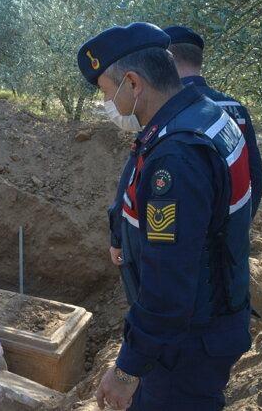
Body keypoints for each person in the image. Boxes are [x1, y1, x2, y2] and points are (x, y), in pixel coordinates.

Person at [77, 22, 253, 410]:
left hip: (185, 343)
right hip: (209, 320)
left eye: (107, 91)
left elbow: (169, 286)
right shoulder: (205, 115)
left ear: (134, 84)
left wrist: (126, 370)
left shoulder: (175, 159)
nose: (108, 103)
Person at [164, 25, 262, 219]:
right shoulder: (235, 108)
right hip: (229, 226)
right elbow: (255, 173)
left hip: (185, 228)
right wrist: (242, 223)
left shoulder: (166, 108)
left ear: (166, 60)